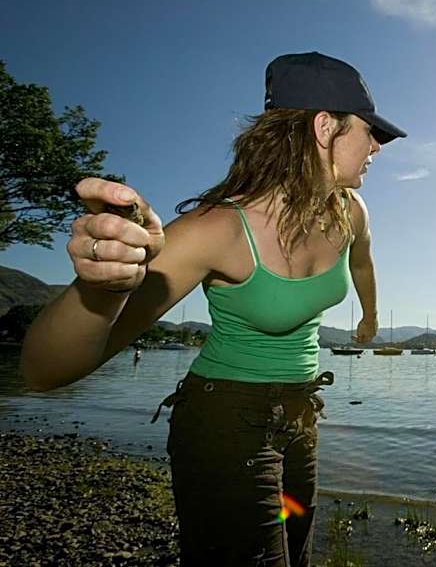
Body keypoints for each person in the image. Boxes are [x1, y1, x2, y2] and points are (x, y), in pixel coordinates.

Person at [20, 51, 407, 566]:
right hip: (224, 420)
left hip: (300, 416)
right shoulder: (215, 230)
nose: (377, 145)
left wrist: (370, 316)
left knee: (296, 553)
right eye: (368, 130)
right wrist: (102, 289)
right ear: (324, 127)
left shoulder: (349, 210)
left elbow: (362, 262)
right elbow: (44, 372)